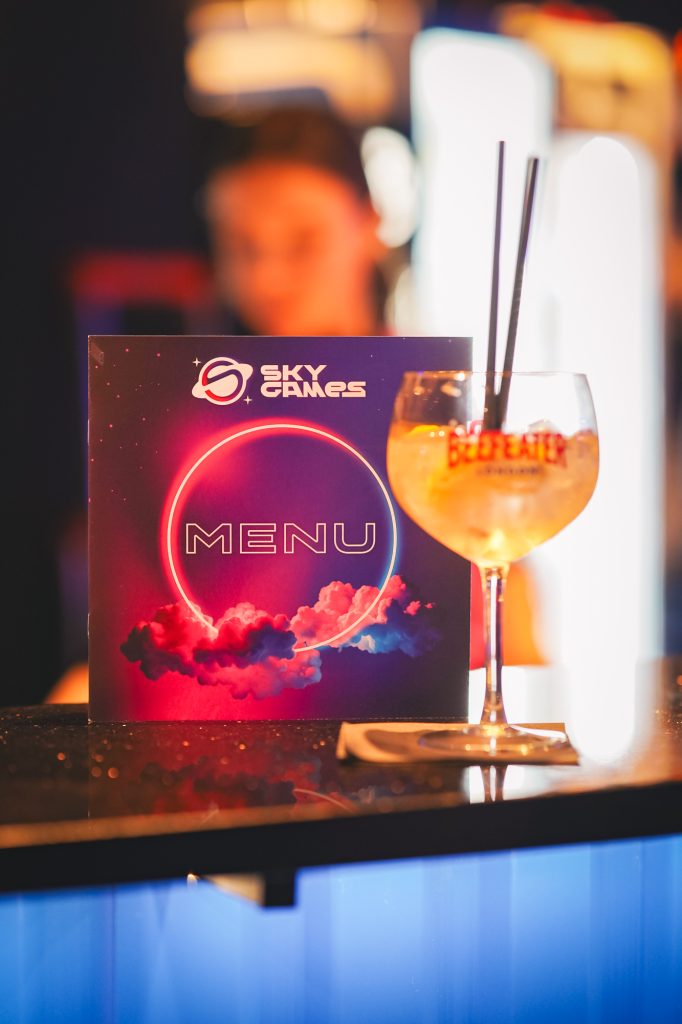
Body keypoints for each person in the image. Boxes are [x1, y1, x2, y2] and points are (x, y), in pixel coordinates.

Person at [47, 104, 543, 703]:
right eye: (240, 245)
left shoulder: (430, 411)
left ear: (371, 223)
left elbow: (513, 619)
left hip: (417, 733)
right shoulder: (189, 419)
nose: (268, 277)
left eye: (303, 241)